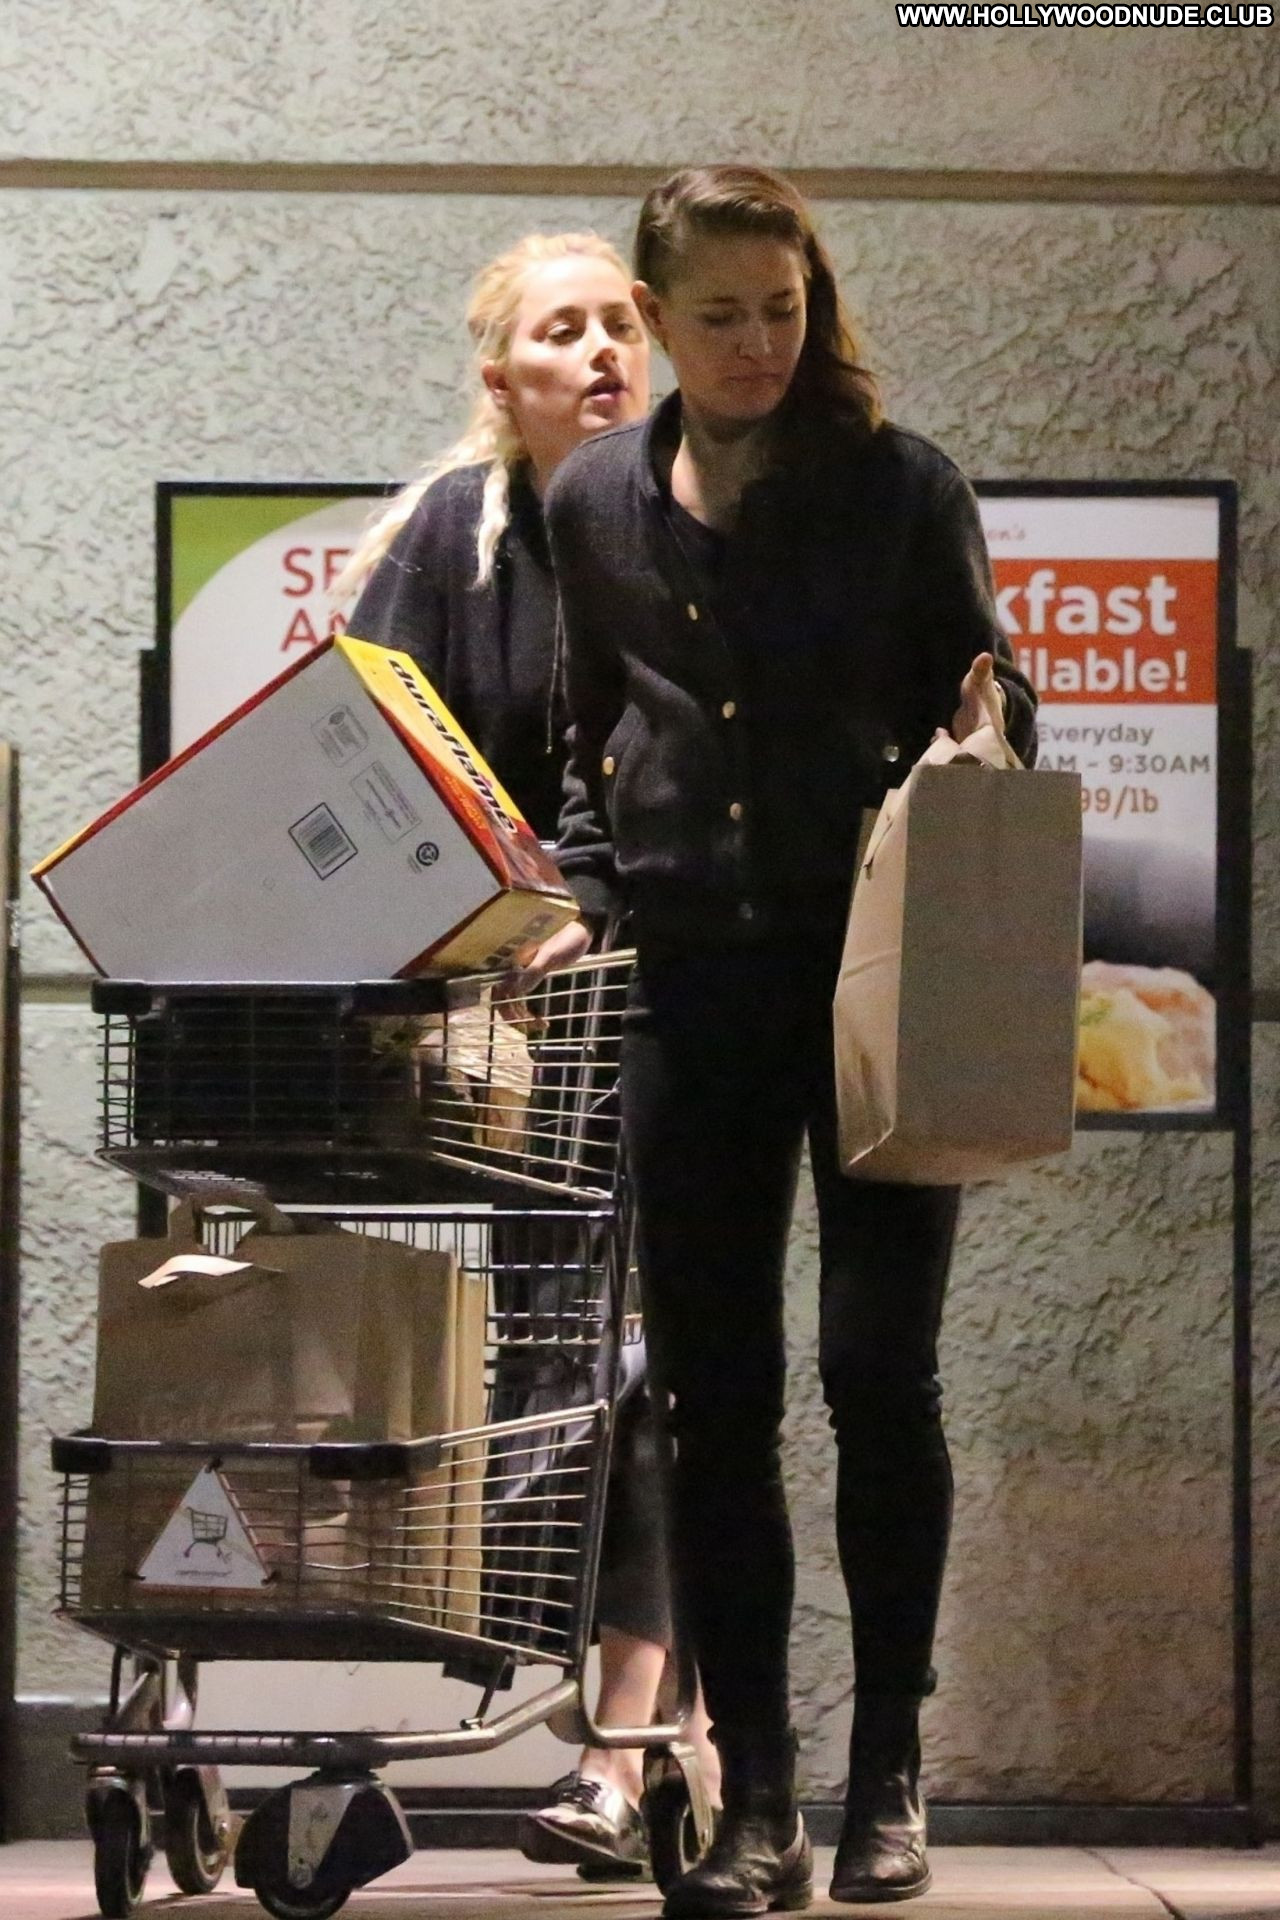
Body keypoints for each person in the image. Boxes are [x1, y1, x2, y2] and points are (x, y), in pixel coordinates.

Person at [528, 167, 1038, 1916]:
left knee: (878, 1372)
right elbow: (589, 726)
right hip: (694, 985)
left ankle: (888, 1769)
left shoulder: (899, 487)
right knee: (712, 1399)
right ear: (655, 319)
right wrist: (588, 889)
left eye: (784, 306)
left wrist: (988, 711)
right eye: (722, 314)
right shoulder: (594, 496)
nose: (759, 343)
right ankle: (758, 1799)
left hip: (884, 973)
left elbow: (997, 714)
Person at [336, 231, 717, 1878]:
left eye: (625, 322)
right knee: (569, 1366)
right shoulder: (457, 536)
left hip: (683, 999)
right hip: (518, 1027)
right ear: (504, 378)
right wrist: (485, 921)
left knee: (660, 1363)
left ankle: (632, 1742)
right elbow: (374, 745)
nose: (606, 350)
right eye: (566, 330)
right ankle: (672, 1725)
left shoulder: (700, 523)